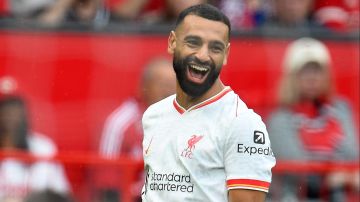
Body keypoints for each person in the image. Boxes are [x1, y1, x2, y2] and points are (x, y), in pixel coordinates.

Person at [141, 4, 275, 202]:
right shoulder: (154, 115)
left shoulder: (241, 123)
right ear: (172, 42)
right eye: (193, 42)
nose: (203, 56)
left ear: (226, 54)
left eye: (215, 48)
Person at [267, 37, 359, 201]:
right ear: (291, 77)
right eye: (305, 71)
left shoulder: (341, 109)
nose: (312, 78)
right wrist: (340, 176)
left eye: (317, 70)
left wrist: (341, 176)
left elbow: (352, 156)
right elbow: (300, 171)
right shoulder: (279, 119)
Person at [96, 57, 176, 201]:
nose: (169, 90)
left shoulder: (187, 121)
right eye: (163, 84)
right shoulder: (121, 123)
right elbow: (107, 183)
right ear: (143, 87)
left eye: (174, 84)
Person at [0, 95, 70, 202]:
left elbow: (62, 194)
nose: (11, 120)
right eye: (7, 113)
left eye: (17, 115)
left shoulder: (44, 148)